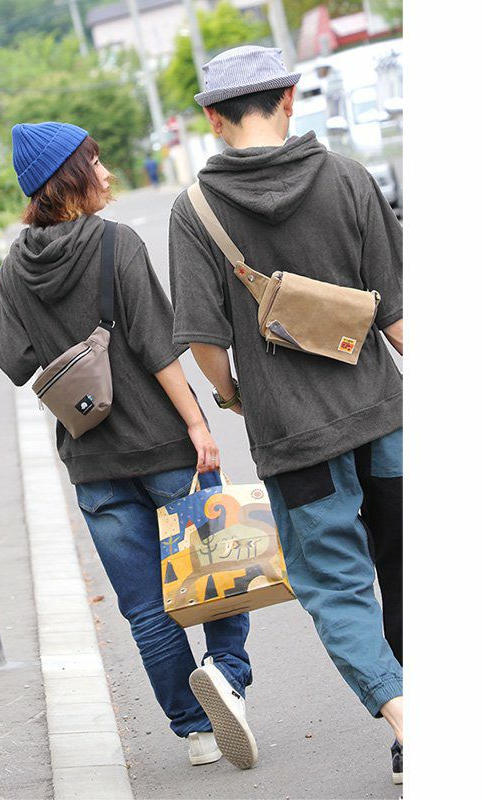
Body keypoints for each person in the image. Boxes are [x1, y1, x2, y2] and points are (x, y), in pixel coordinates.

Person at [167, 46, 404, 785]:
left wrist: (237, 395)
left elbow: (204, 343)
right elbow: (396, 317)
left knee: (336, 586)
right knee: (412, 570)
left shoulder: (195, 210)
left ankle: (409, 725)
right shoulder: (349, 177)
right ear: (290, 99)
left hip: (294, 440)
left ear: (213, 118)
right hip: (385, 420)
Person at [0, 121, 256, 769]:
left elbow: (12, 360)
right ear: (70, 178)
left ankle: (195, 731)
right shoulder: (116, 243)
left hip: (92, 462)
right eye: (95, 162)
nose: (106, 172)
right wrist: (198, 424)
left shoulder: (16, 267)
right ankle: (225, 672)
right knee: (219, 573)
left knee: (145, 610)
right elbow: (157, 345)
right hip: (165, 448)